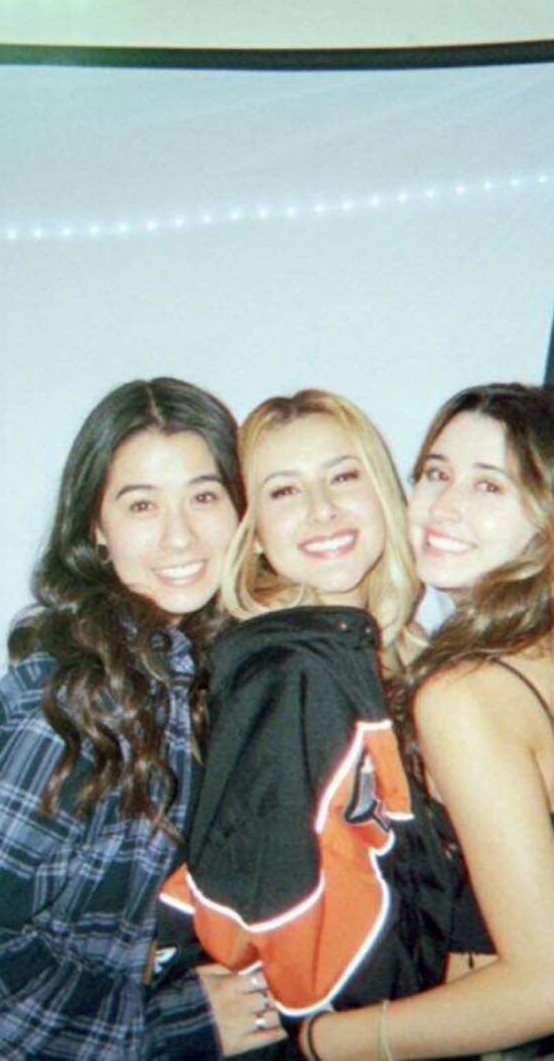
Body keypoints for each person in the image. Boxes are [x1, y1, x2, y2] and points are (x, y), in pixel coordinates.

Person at [0, 378, 286, 1060]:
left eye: (203, 496)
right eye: (141, 505)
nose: (180, 535)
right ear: (97, 530)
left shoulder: (182, 678)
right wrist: (165, 1027)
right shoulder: (78, 700)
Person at [299, 382, 554, 1060]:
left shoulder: (465, 695)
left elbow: (549, 988)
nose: (445, 507)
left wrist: (320, 1043)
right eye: (436, 474)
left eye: (489, 487)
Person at [161, 389, 440, 1028]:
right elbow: (276, 942)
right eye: (284, 491)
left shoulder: (391, 657)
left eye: (343, 477)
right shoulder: (287, 676)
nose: (322, 509)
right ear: (254, 535)